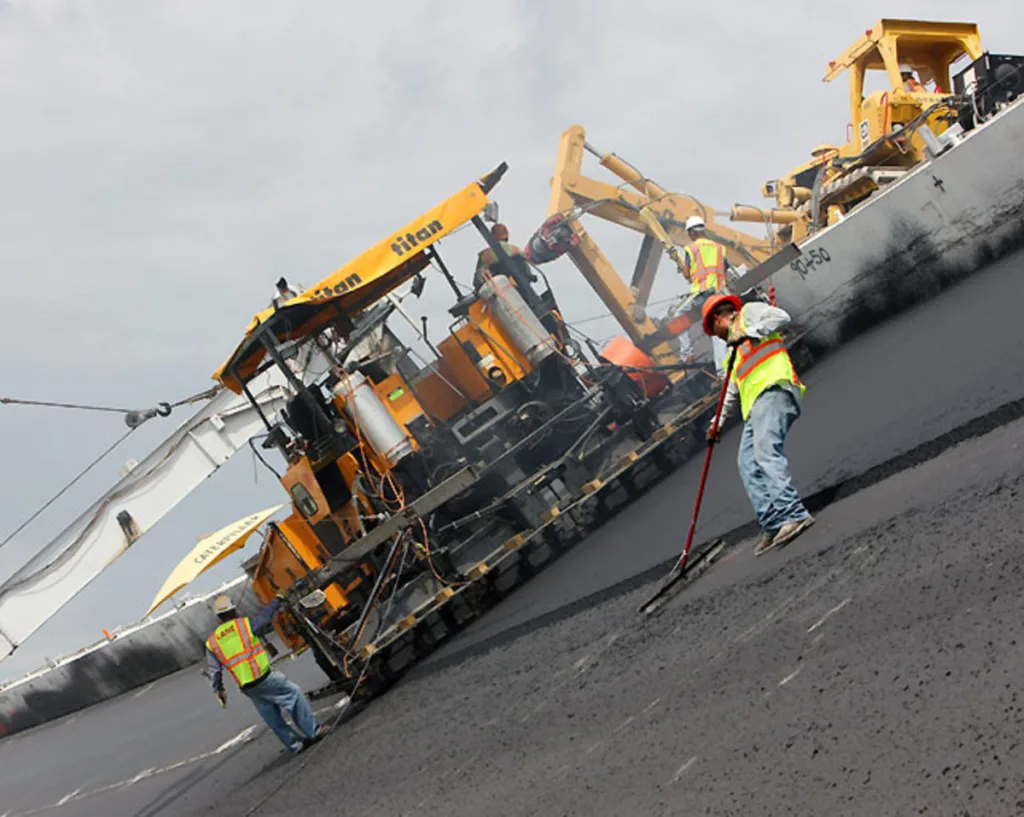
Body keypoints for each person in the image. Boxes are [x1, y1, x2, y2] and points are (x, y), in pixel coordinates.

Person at [702, 293, 814, 556]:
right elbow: (731, 389)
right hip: (755, 408)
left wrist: (748, 332)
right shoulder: (733, 352)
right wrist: (716, 423)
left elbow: (781, 317)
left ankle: (794, 515)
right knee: (747, 463)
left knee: (765, 454)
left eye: (713, 330)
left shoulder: (748, 314)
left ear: (719, 318)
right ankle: (773, 524)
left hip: (775, 389)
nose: (715, 336)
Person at [206, 594, 329, 754]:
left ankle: (295, 745)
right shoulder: (243, 625)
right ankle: (314, 731)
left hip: (247, 686)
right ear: (234, 611)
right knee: (294, 694)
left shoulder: (212, 642)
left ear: (218, 618)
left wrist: (219, 690)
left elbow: (215, 671)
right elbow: (264, 617)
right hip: (262, 677)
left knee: (271, 715)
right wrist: (276, 600)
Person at [677, 215, 733, 376]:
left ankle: (687, 353)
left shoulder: (691, 249)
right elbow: (725, 269)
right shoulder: (718, 247)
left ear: (692, 233)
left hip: (702, 295)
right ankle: (729, 366)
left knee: (677, 316)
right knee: (721, 329)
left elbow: (688, 275)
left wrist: (682, 268)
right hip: (720, 292)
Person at [473, 223, 525, 293]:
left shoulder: (484, 256)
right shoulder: (517, 250)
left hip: (501, 297)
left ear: (491, 237)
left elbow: (478, 282)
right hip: (523, 292)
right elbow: (528, 273)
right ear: (507, 235)